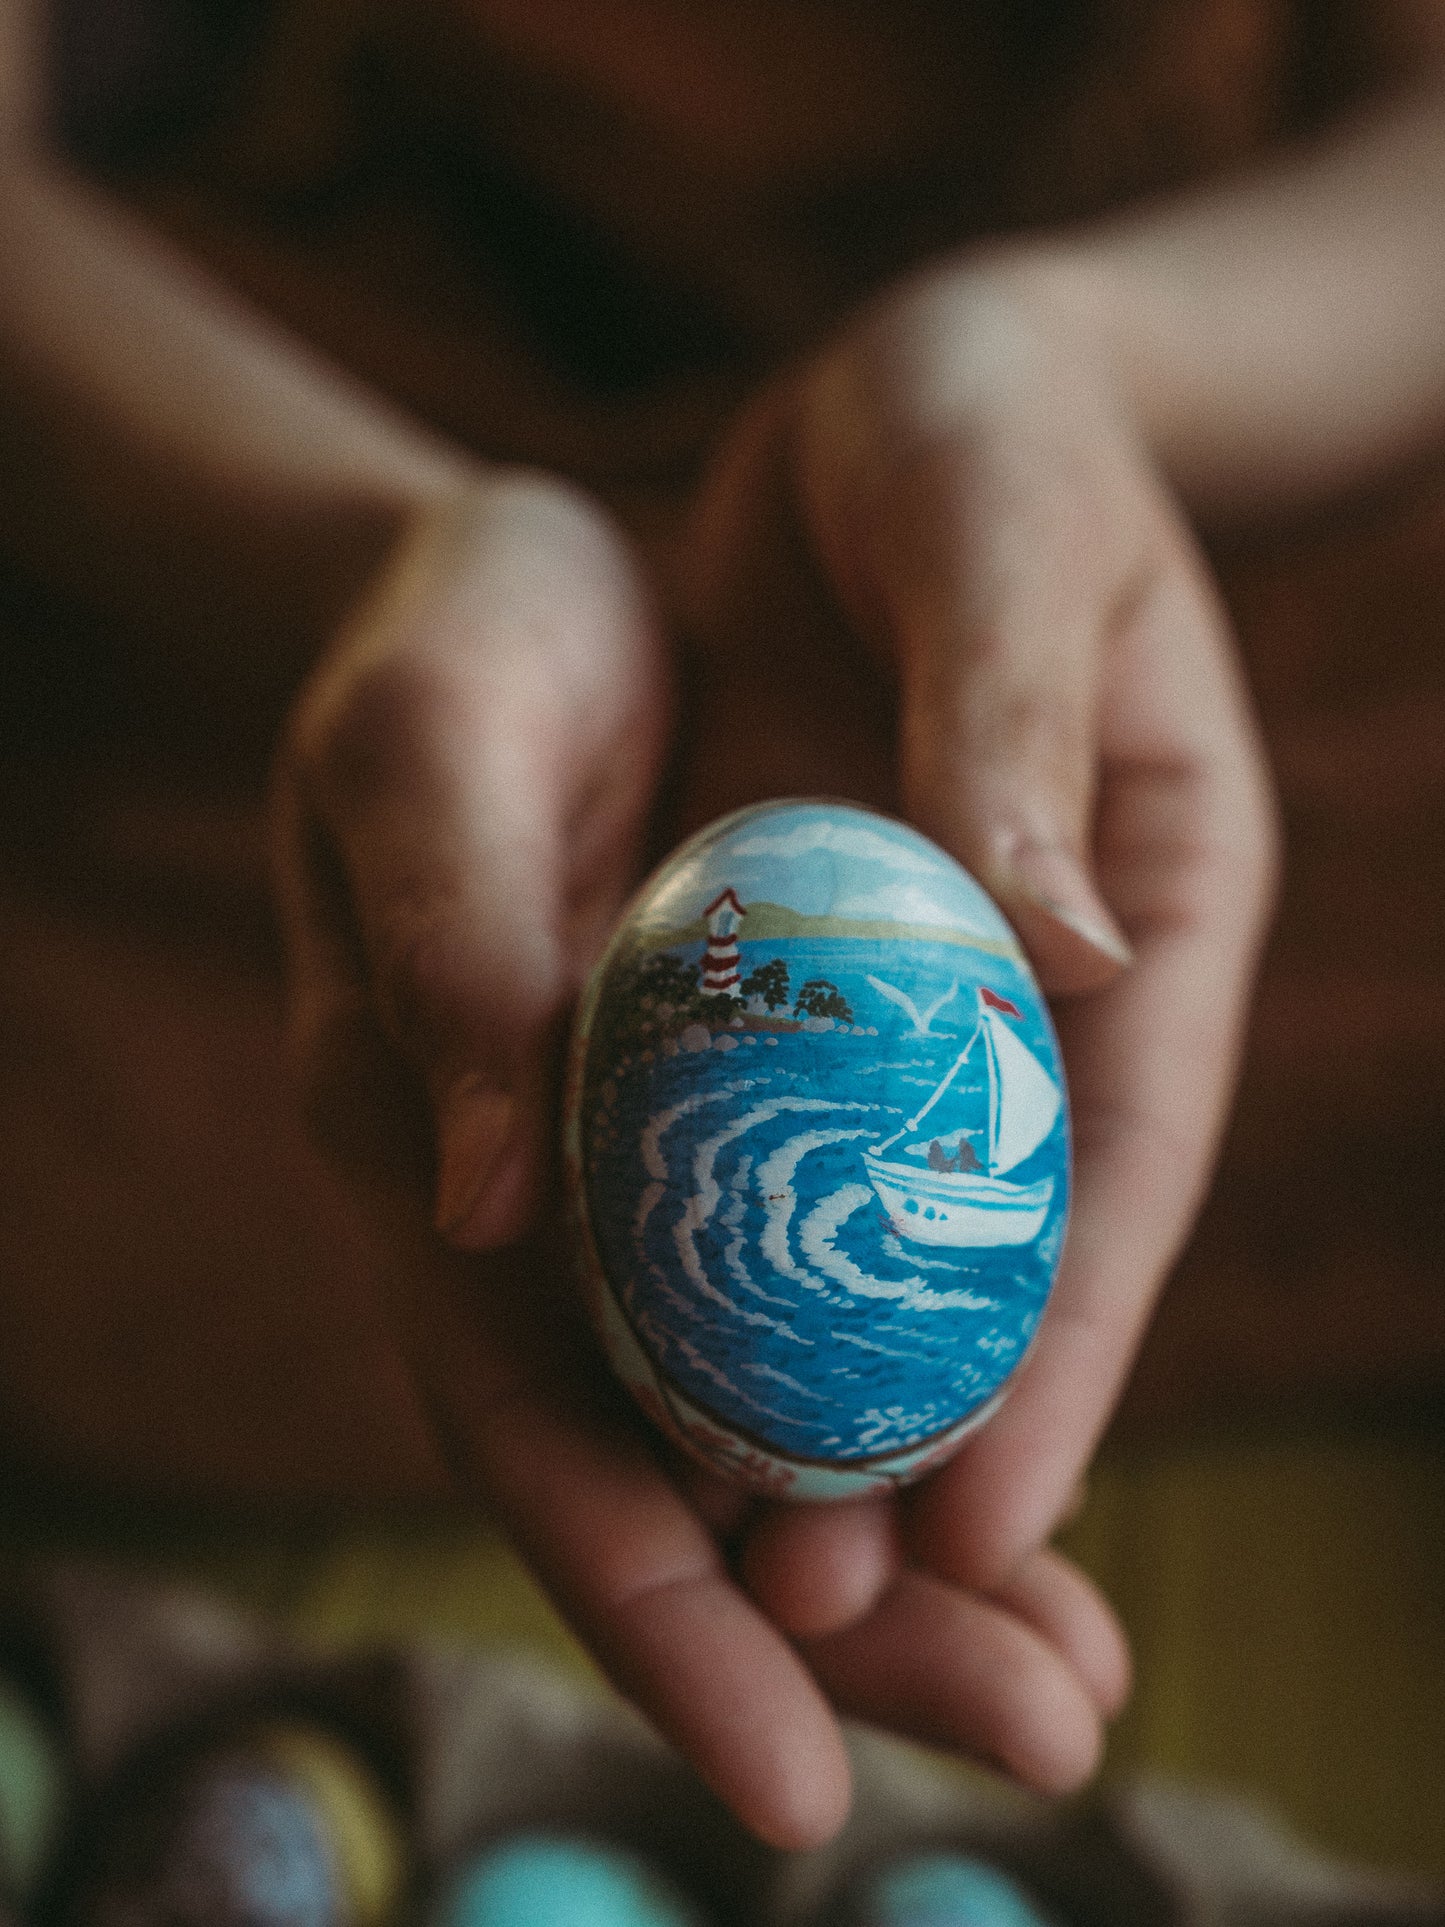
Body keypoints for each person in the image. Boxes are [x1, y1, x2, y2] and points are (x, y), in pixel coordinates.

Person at [2, 0, 1443, 1855]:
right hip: (364, 382)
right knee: (336, 950)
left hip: (1139, 434)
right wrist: (368, 552)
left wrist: (1075, 361)